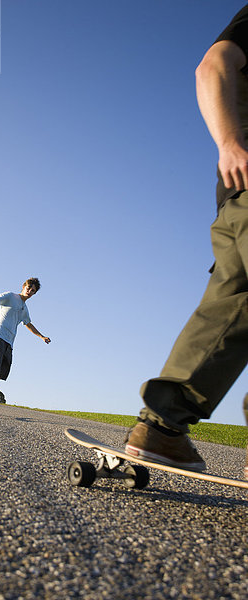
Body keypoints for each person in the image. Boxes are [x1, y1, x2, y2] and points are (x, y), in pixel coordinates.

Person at [125, 5, 248, 477]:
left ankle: (161, 428)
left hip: (236, 201)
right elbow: (213, 65)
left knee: (231, 307)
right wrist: (230, 141)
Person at [0, 277, 51, 408]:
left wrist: (41, 337)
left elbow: (28, 324)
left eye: (33, 290)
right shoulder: (11, 296)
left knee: (2, 372)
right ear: (23, 286)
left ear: (34, 294)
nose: (29, 291)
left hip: (9, 341)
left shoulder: (25, 308)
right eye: (28, 288)